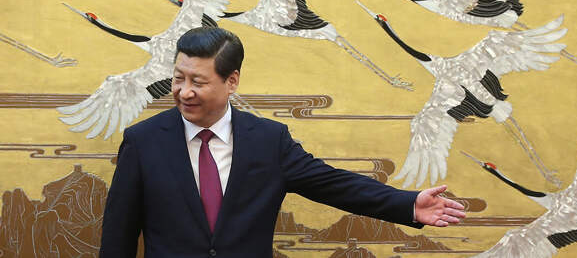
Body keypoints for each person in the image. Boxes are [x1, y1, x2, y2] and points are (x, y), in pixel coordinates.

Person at [99, 27, 465, 258]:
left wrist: (407, 204)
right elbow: (119, 235)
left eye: (198, 82)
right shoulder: (143, 141)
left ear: (231, 81)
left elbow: (334, 185)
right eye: (179, 78)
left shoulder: (268, 141)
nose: (184, 91)